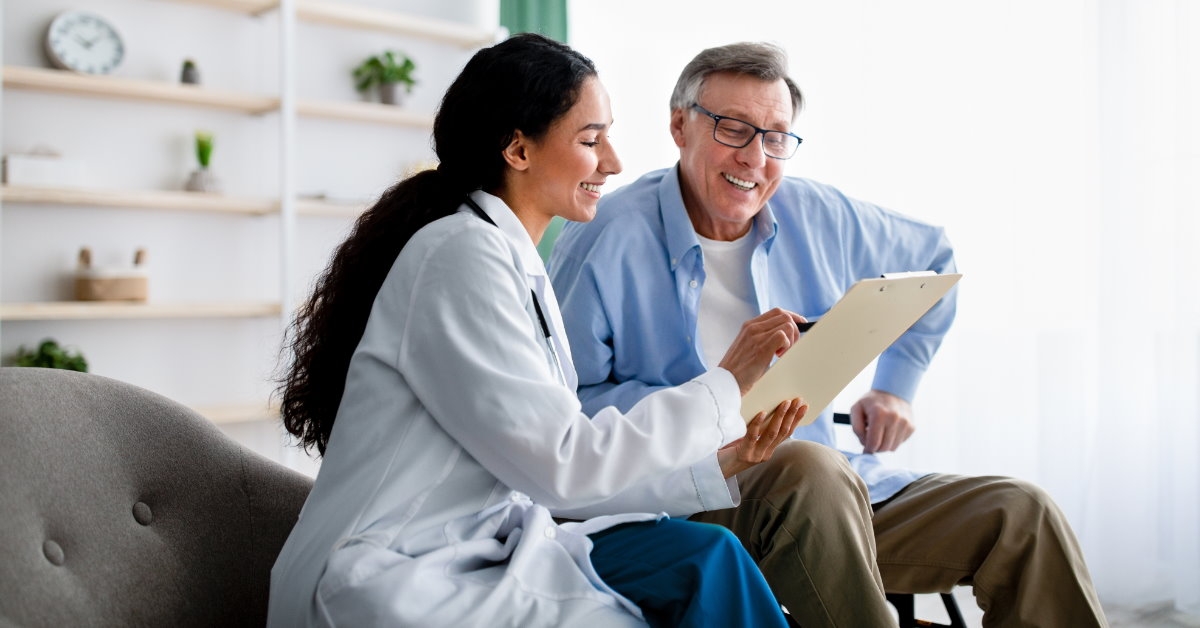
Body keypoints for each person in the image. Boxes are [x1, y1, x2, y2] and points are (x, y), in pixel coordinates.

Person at [549, 41, 1109, 627]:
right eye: (733, 129)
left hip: (834, 492)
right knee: (810, 469)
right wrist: (715, 403)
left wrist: (896, 386)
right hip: (688, 494)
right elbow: (568, 412)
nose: (755, 159)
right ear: (679, 126)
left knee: (1021, 514)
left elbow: (935, 259)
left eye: (774, 137)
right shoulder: (605, 237)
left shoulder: (819, 214)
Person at [267, 34, 808, 628]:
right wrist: (726, 384)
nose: (614, 162)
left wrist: (717, 465)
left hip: (480, 547)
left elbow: (547, 477)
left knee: (709, 555)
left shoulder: (509, 257)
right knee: (681, 582)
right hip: (390, 572)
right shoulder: (458, 256)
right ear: (518, 150)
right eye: (590, 139)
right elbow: (563, 465)